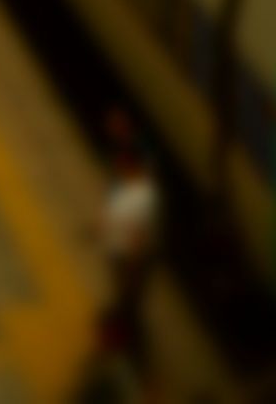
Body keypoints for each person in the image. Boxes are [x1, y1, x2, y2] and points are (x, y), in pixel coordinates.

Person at [89, 111, 163, 391]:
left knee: (130, 314)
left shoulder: (145, 196)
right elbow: (113, 211)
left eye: (120, 163)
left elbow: (138, 240)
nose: (115, 165)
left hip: (131, 264)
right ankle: (127, 358)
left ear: (130, 164)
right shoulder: (126, 186)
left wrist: (132, 273)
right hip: (120, 259)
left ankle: (143, 371)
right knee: (126, 312)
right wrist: (99, 229)